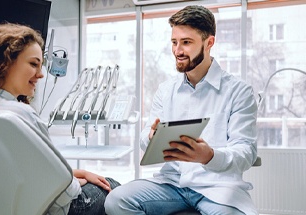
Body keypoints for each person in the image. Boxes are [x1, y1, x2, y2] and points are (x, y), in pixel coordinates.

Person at [105, 5, 258, 215]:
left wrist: (209, 156)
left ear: (209, 43)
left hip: (217, 187)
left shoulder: (239, 91)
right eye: (174, 42)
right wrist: (151, 136)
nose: (178, 51)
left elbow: (246, 152)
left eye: (186, 42)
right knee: (117, 200)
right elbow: (144, 138)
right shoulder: (166, 90)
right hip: (172, 184)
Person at [0, 23, 120, 215]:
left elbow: (20, 171)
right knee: (113, 186)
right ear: (5, 62)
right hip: (59, 208)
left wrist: (73, 174)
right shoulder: (22, 115)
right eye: (33, 64)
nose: (40, 74)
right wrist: (75, 182)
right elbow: (66, 194)